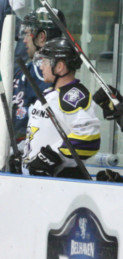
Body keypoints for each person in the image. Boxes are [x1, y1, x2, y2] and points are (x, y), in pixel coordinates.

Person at [22, 38, 100, 179]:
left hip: (62, 182)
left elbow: (89, 139)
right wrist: (26, 157)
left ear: (59, 67)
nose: (41, 67)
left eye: (45, 62)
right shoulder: (50, 94)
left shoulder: (73, 96)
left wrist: (52, 157)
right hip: (37, 181)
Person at [11, 6, 66, 140]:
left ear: (41, 37)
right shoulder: (30, 68)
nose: (24, 40)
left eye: (28, 33)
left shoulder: (44, 74)